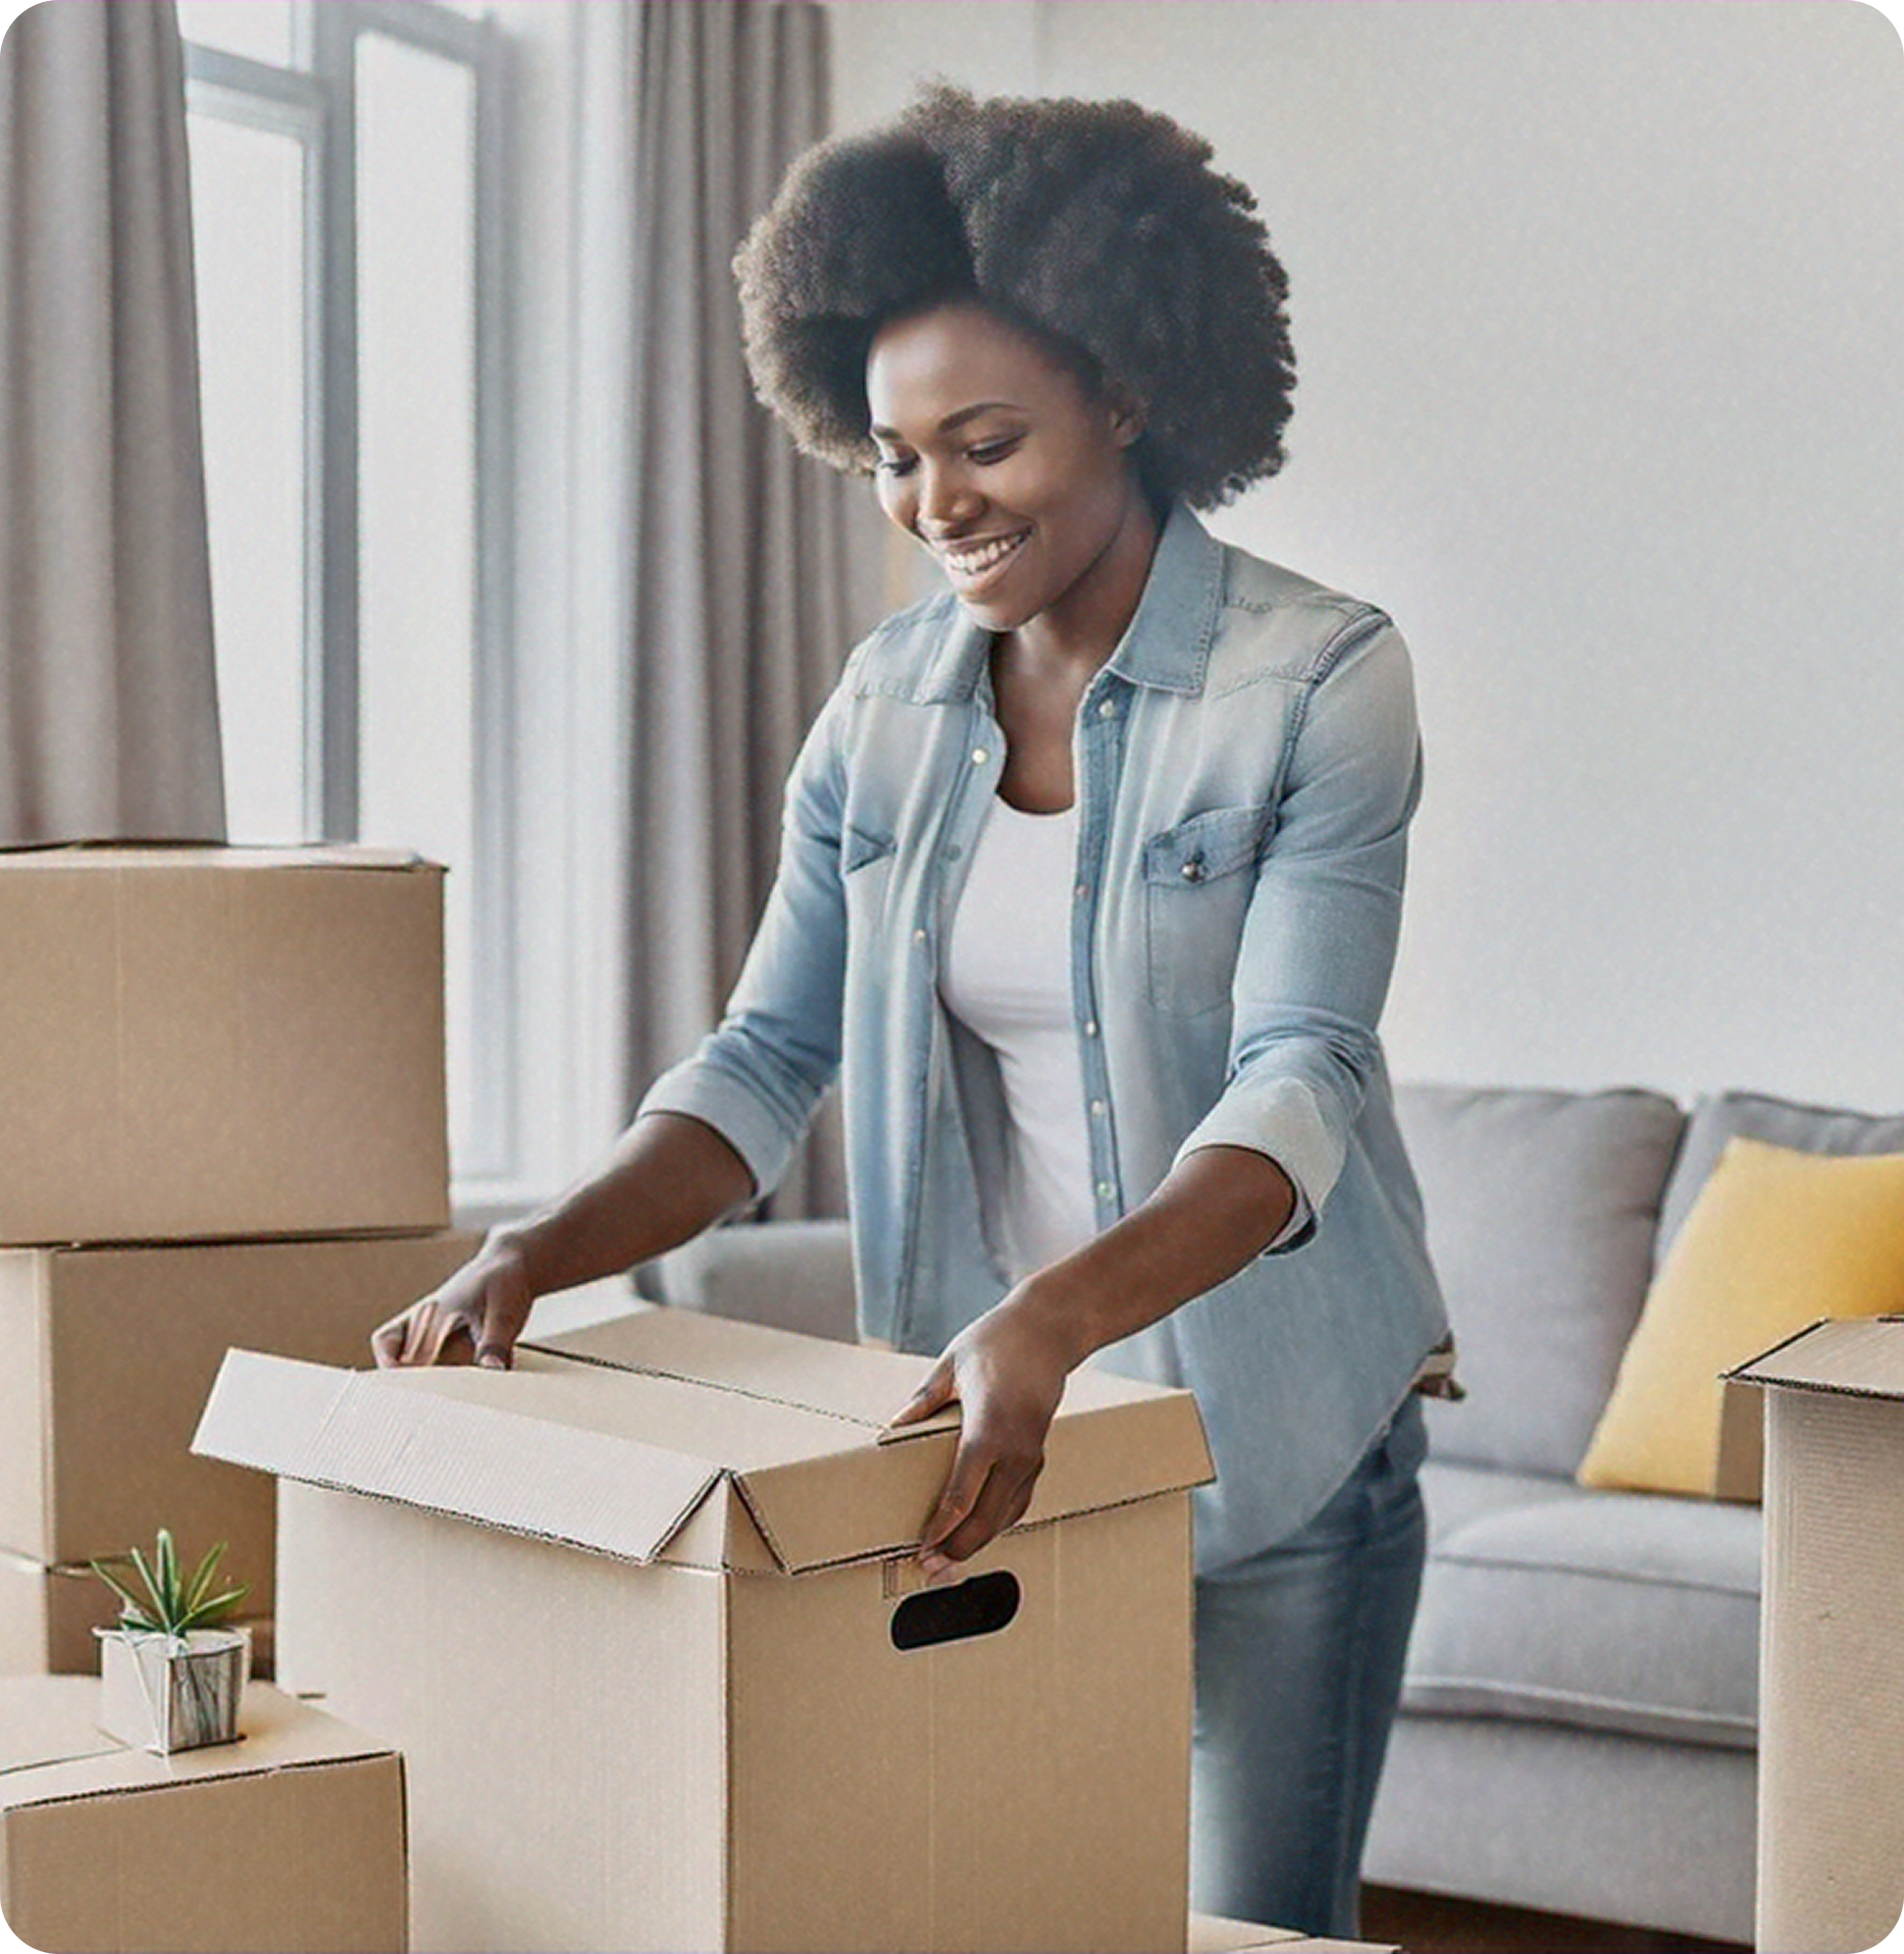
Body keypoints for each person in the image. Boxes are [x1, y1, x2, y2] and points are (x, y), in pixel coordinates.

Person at [373, 83, 1450, 1939]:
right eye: (890, 454)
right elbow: (760, 1062)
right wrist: (532, 1256)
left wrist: (1055, 1314)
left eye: (989, 440)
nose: (935, 502)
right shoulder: (883, 709)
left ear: (1129, 391)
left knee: (1252, 1935)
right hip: (992, 1446)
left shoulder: (1317, 681)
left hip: (1277, 1446)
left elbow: (1301, 1085)